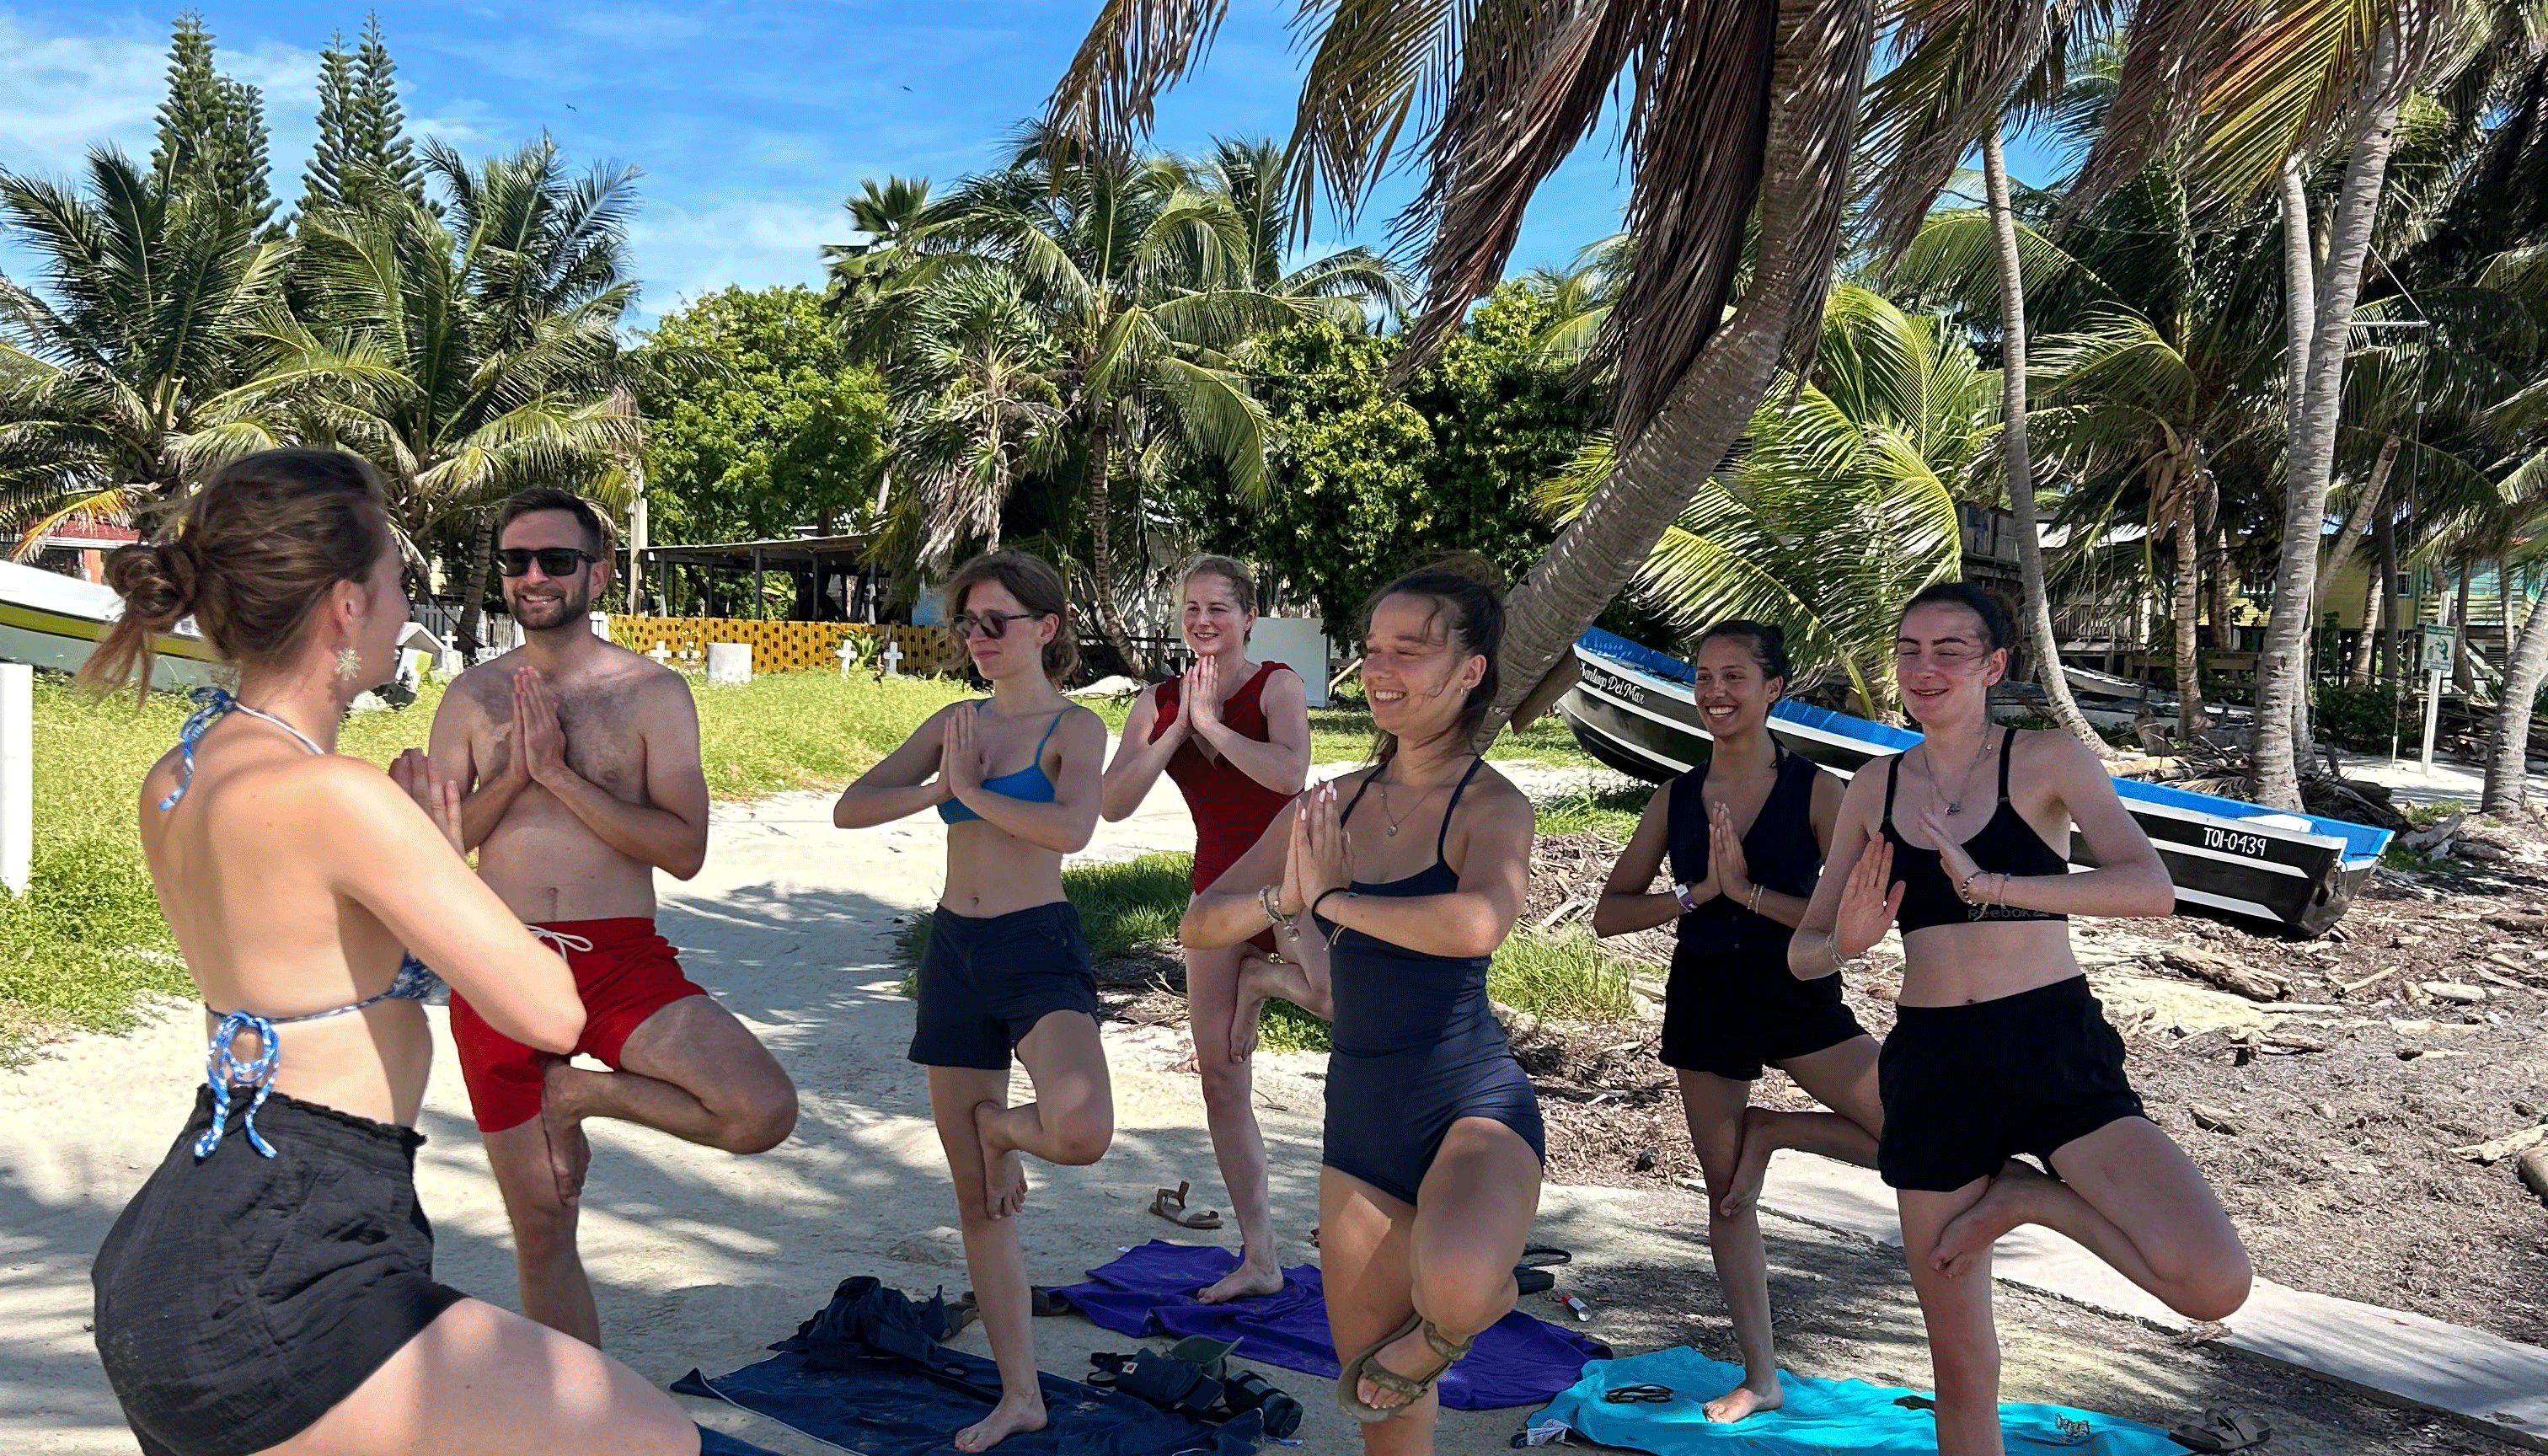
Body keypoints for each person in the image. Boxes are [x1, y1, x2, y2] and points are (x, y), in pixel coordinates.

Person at [84, 448, 699, 1456]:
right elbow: (548, 1011)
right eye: (396, 579)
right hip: (290, 1249)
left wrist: (415, 848)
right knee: (649, 1440)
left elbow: (305, 960)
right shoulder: (341, 796)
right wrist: (430, 850)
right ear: (343, 608)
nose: (404, 597)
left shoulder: (178, 773)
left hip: (194, 1225)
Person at [1789, 582, 2251, 1456]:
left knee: (2212, 1282)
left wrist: (1997, 886)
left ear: (1993, 664)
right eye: (1910, 650)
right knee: (1962, 1368)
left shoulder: (2047, 760)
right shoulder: (1872, 787)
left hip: (2049, 1046)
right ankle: (2016, 1197)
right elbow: (1804, 951)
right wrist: (1845, 944)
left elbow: (2150, 889)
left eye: (1950, 650)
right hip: (1934, 1068)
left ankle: (2029, 1197)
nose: (1926, 669)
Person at [420, 487, 797, 1345]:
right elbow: (434, 850)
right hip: (499, 960)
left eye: (554, 560)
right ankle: (579, 1428)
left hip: (619, 959)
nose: (533, 578)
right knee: (546, 1223)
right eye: (516, 562)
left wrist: (559, 776)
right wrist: (514, 775)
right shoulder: (472, 698)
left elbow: (684, 848)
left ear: (599, 571)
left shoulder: (651, 693)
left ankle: (575, 1093)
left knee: (759, 1110)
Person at [1181, 559, 1540, 1453]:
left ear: (1470, 672)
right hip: (1361, 1123)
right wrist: (1283, 900)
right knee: (1387, 1422)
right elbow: (1200, 923)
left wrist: (1330, 902)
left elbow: (1477, 922)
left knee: (1455, 1287)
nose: (1381, 669)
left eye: (1409, 651)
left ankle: (1478, 1301)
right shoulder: (1329, 802)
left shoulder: (1493, 805)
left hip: (1471, 1100)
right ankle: (1465, 1305)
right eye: (1373, 649)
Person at [832, 549, 1114, 1452]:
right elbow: (850, 808)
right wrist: (935, 788)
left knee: (1079, 1130)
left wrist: (973, 792)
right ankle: (1020, 1395)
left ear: (1047, 627)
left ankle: (1002, 1129)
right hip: (953, 948)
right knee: (979, 1206)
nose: (981, 639)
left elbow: (1071, 826)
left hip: (1036, 948)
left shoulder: (1075, 729)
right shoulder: (955, 722)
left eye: (999, 621)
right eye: (969, 623)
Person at [1590, 620, 1876, 1422]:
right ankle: (1762, 1375)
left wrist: (1748, 893)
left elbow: (1842, 924)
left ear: (1773, 689)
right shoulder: (1676, 796)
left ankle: (1777, 1130)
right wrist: (1698, 895)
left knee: (1916, 1130)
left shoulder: (1820, 792)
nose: (1715, 692)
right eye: (1704, 677)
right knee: (1727, 1201)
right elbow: (1611, 914)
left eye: (1735, 677)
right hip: (1709, 995)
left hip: (1797, 996)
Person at [1099, 554, 1314, 1303]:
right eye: (1191, 608)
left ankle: (1266, 982)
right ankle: (1261, 1257)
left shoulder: (1276, 684)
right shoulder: (1157, 699)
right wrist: (1175, 732)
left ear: (1249, 616)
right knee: (1223, 1079)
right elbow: (1112, 803)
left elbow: (1290, 775)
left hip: (1289, 876)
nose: (1202, 621)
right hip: (1216, 893)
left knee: (1335, 1000)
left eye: (1218, 608)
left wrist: (1216, 728)